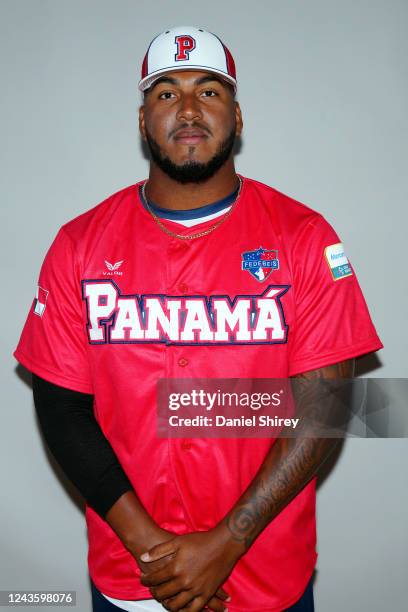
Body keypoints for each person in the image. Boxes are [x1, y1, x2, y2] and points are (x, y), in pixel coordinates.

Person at [14, 26, 383, 612]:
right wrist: (155, 553)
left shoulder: (305, 239)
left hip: (264, 577)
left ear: (238, 116)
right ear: (142, 122)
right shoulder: (79, 245)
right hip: (133, 577)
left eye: (210, 92)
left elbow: (325, 407)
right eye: (166, 93)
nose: (188, 108)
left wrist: (224, 544)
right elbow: (61, 409)